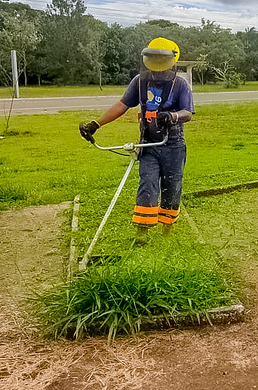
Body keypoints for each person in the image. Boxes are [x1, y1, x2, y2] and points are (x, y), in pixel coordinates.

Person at [79, 37, 193, 242]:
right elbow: (123, 105)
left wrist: (171, 116)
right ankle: (142, 232)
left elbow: (188, 113)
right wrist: (96, 124)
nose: (158, 70)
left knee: (171, 186)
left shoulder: (180, 85)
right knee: (147, 183)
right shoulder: (140, 82)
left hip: (173, 145)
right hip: (148, 144)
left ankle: (167, 230)